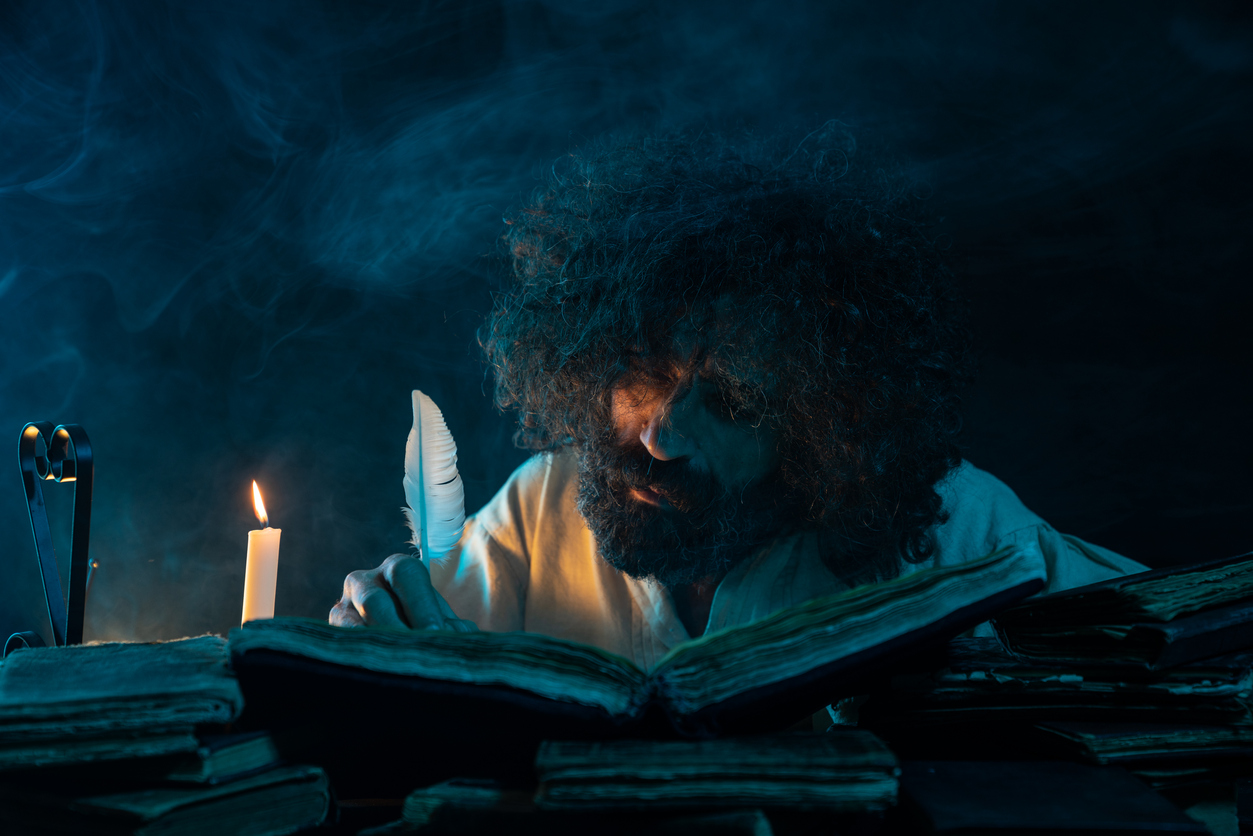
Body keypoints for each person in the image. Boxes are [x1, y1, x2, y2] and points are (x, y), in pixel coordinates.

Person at [329, 127, 1145, 668]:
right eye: (639, 373)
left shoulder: (963, 532)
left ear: (826, 419)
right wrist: (379, 628)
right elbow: (419, 662)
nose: (660, 439)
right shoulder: (542, 508)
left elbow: (1192, 647)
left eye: (732, 398)